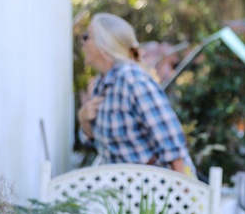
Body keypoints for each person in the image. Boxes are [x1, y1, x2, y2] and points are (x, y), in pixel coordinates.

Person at [77, 13, 194, 175]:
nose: (82, 43)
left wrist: (183, 191)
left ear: (104, 47)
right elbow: (98, 142)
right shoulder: (101, 83)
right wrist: (84, 121)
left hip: (156, 189)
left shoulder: (132, 80)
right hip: (123, 188)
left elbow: (171, 141)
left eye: (86, 37)